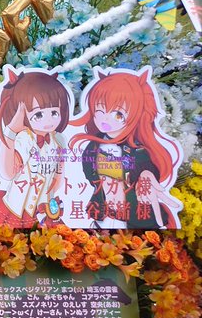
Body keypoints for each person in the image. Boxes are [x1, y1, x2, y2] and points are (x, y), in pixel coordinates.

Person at [0, 68, 70, 228]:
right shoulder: (24, 138)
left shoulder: (59, 140)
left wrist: (52, 192)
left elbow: (59, 173)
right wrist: (11, 131)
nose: (48, 121)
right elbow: (8, 172)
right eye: (38, 115)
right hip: (16, 207)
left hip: (44, 210)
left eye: (54, 112)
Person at [72, 68, 181, 229]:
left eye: (118, 115)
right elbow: (87, 169)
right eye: (100, 110)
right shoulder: (93, 145)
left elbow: (145, 163)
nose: (105, 119)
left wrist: (144, 174)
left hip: (132, 215)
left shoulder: (136, 147)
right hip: (102, 212)